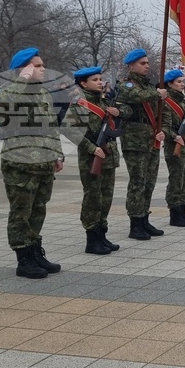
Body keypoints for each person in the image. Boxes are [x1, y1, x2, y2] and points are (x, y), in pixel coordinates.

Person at [0, 48, 63, 278]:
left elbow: (51, 126)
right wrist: (22, 79)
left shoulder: (43, 93)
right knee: (21, 211)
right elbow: (2, 102)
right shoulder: (9, 91)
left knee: (38, 209)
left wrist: (57, 154)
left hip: (43, 161)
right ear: (24, 68)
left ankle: (34, 252)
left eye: (43, 65)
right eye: (38, 65)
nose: (43, 69)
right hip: (20, 164)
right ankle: (23, 259)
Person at [64, 66, 122, 255]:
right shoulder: (80, 104)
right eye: (95, 79)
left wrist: (116, 115)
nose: (100, 82)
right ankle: (92, 239)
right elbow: (69, 129)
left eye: (100, 79)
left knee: (106, 199)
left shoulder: (104, 103)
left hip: (108, 158)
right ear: (83, 83)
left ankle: (101, 235)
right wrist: (92, 148)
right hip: (92, 159)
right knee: (93, 199)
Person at [116, 49, 168, 240]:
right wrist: (157, 93)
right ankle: (135, 223)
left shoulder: (149, 86)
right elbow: (138, 96)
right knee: (137, 182)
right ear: (131, 66)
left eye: (147, 63)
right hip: (135, 140)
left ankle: (145, 218)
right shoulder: (126, 84)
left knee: (149, 181)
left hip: (150, 137)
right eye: (142, 63)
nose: (147, 65)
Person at [162, 69, 185, 226]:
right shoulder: (166, 102)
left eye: (182, 81)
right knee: (176, 181)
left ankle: (182, 210)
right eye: (178, 82)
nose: (182, 84)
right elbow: (163, 126)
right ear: (170, 84)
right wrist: (174, 136)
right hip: (175, 146)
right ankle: (174, 213)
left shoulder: (184, 100)